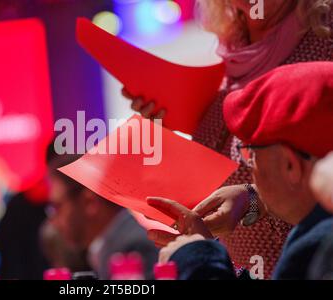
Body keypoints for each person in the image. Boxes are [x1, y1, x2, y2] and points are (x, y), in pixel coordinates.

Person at [122, 0, 333, 277]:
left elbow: (319, 178)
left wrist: (252, 200)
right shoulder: (233, 49)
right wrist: (163, 127)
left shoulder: (325, 38)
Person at [147, 62, 333, 279]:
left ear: (291, 165)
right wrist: (250, 201)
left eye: (250, 153)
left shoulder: (320, 249)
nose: (249, 166)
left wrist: (198, 259)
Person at [48, 154, 158, 279]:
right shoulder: (111, 246)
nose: (53, 220)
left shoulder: (133, 248)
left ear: (89, 202)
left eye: (57, 207)